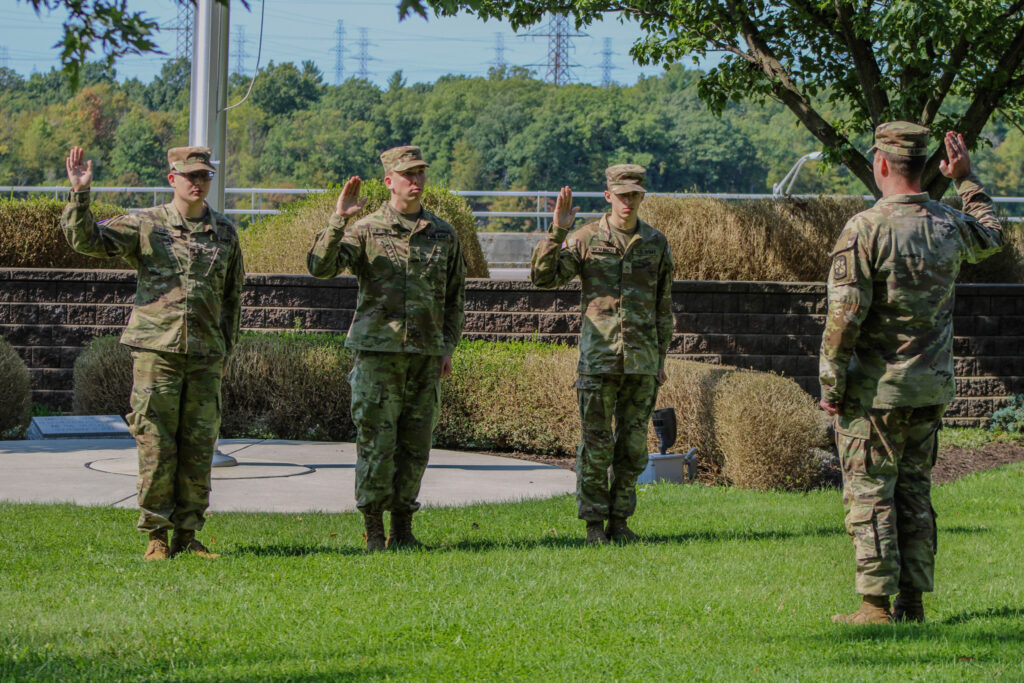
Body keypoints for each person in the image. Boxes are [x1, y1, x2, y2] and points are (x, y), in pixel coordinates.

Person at [820, 123, 1008, 624]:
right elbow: (993, 237)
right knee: (914, 493)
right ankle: (914, 602)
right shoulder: (949, 223)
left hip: (876, 393)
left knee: (870, 493)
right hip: (930, 389)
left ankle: (875, 606)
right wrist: (967, 181)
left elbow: (843, 318)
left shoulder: (865, 228)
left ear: (881, 163)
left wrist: (831, 385)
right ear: (923, 166)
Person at [61, 145, 244, 561]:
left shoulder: (226, 234)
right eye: (190, 176)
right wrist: (80, 194)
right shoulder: (146, 225)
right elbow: (86, 240)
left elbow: (232, 296)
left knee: (198, 446)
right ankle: (157, 535)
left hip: (205, 356)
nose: (199, 183)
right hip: (156, 353)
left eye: (205, 176)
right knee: (156, 445)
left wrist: (224, 348)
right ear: (172, 179)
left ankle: (188, 534)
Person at [307, 145, 466, 552]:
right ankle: (374, 530)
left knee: (416, 445)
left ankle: (404, 529)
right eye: (407, 174)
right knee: (377, 443)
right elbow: (321, 267)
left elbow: (454, 298)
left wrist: (447, 346)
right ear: (389, 181)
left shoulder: (443, 233)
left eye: (420, 174)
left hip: (426, 357)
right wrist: (338, 219)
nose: (415, 181)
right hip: (378, 356)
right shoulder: (366, 230)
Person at [531, 165, 675, 544]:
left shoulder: (656, 243)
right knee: (596, 445)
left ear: (643, 197)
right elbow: (543, 277)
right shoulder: (585, 238)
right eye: (621, 194)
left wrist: (660, 359)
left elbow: (663, 306)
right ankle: (594, 524)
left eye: (635, 195)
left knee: (632, 448)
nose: (628, 202)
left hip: (641, 361)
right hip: (598, 360)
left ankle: (620, 522)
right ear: (608, 196)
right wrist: (558, 229)